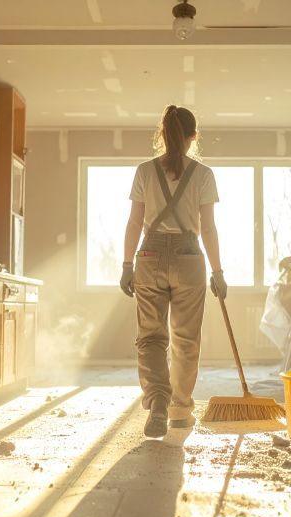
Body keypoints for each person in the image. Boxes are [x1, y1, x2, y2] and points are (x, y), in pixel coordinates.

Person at [120, 105, 227, 438]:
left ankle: (158, 401)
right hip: (190, 258)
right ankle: (180, 412)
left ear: (163, 135)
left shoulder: (144, 171)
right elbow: (208, 228)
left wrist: (126, 265)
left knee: (151, 337)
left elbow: (135, 222)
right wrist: (218, 271)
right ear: (193, 137)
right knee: (186, 340)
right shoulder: (204, 174)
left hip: (149, 256)